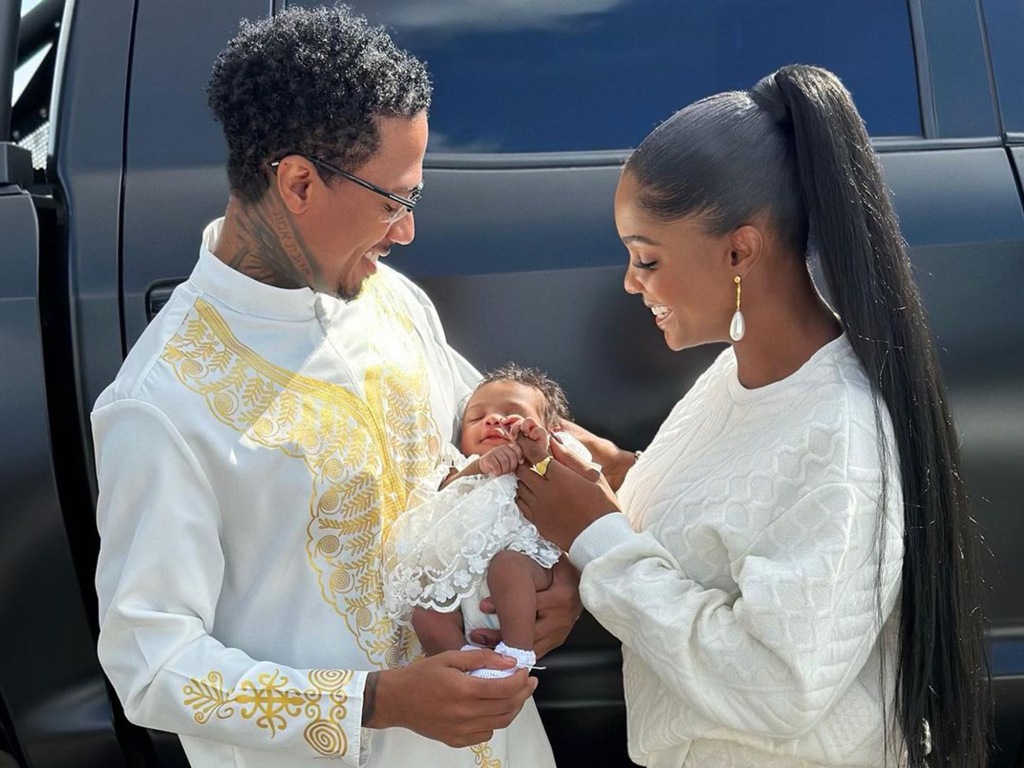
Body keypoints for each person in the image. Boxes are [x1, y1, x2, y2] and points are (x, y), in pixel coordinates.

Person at [91, 7, 577, 767]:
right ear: (297, 182)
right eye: (396, 199)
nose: (407, 230)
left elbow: (496, 462)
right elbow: (150, 665)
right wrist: (375, 703)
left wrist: (559, 580)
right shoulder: (163, 402)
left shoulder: (392, 303)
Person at [515, 64, 990, 767]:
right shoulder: (741, 374)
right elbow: (736, 521)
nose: (629, 282)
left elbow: (777, 687)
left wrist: (595, 536)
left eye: (646, 258)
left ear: (740, 249)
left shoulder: (842, 433)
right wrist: (618, 474)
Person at [384, 364, 590, 678]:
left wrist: (535, 452)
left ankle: (515, 657)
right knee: (424, 613)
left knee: (508, 566)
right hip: (458, 589)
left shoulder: (544, 461)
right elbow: (437, 502)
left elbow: (578, 488)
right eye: (477, 418)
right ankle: (465, 669)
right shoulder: (457, 466)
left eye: (512, 415)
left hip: (523, 575)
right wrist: (478, 466)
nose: (493, 420)